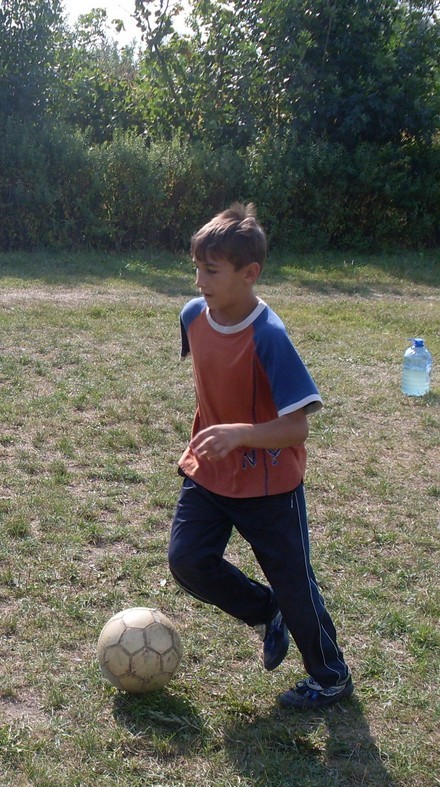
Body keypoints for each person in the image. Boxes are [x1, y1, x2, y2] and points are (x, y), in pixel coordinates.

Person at [167, 203, 353, 708]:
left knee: (295, 586)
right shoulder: (191, 316)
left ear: (249, 273)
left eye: (212, 270)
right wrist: (217, 434)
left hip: (269, 485)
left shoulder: (268, 336)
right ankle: (265, 611)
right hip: (210, 471)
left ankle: (331, 676)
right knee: (187, 561)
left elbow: (297, 427)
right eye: (196, 268)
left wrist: (240, 434)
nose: (199, 281)